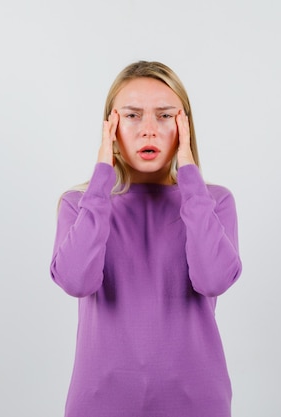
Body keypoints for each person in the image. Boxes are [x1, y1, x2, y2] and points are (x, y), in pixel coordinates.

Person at [50, 61, 243, 417]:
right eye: (133, 116)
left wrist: (189, 175)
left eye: (165, 116)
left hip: (196, 403)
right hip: (99, 403)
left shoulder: (214, 202)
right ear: (111, 127)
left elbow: (213, 278)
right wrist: (101, 177)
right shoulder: (79, 205)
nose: (149, 130)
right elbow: (76, 280)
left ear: (184, 126)